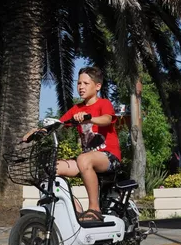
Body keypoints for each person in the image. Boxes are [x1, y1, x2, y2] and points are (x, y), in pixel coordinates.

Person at [23, 66, 121, 222]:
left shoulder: (104, 103)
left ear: (97, 86)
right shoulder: (77, 109)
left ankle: (94, 209)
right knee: (50, 168)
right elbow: (57, 123)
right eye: (79, 83)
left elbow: (107, 119)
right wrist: (36, 131)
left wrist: (89, 118)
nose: (81, 87)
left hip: (109, 157)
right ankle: (75, 211)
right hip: (86, 160)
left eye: (85, 83)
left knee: (83, 158)